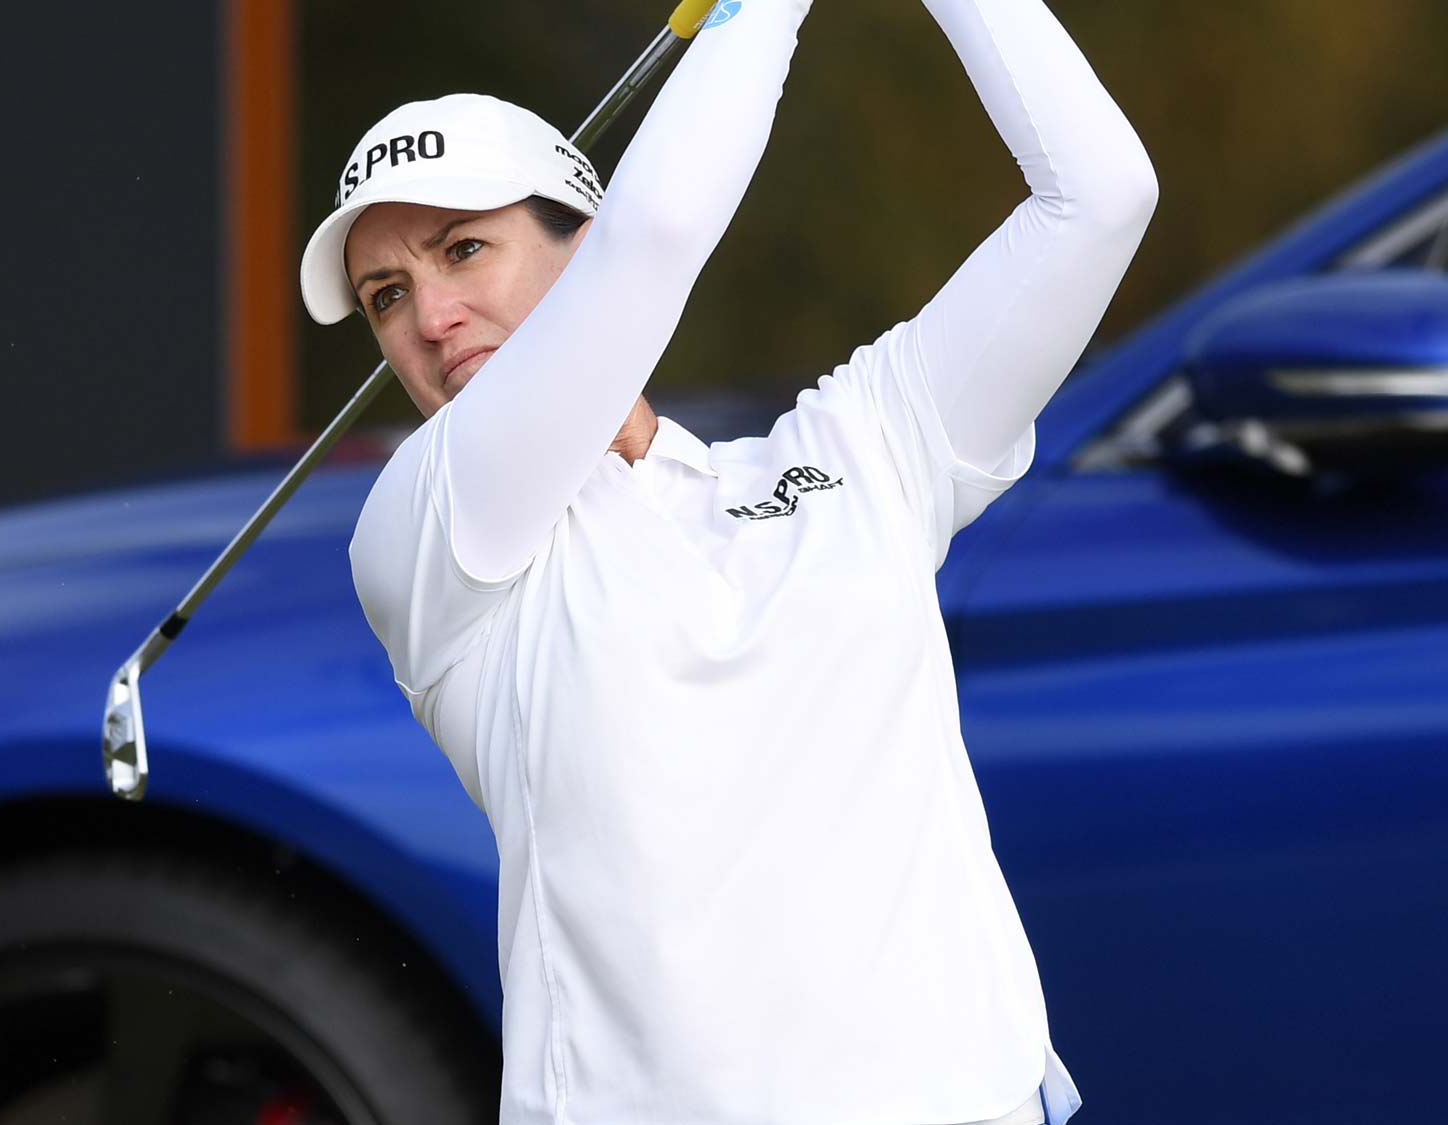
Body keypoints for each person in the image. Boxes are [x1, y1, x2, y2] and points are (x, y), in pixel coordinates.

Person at [297, 0, 1156, 1120]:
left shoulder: (860, 448)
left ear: (578, 239)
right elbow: (656, 238)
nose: (432, 317)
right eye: (385, 297)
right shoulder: (426, 530)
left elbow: (1097, 200)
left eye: (463, 250)